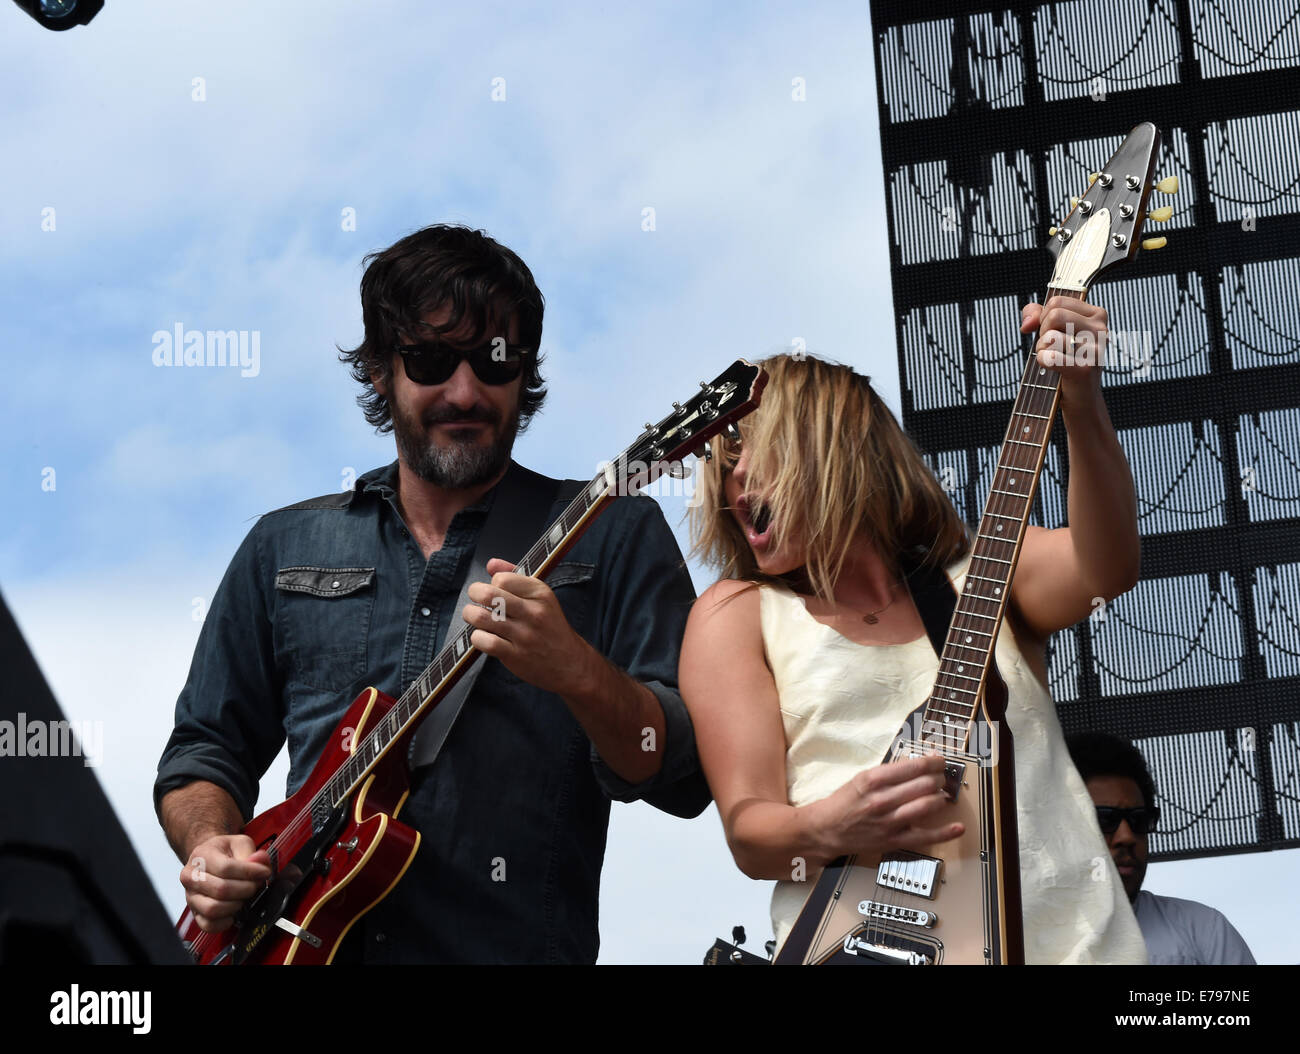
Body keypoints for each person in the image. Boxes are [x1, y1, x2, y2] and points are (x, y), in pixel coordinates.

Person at [154, 223, 710, 964]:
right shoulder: (282, 546)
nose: (465, 390)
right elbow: (203, 750)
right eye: (430, 360)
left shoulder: (610, 531)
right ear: (382, 371)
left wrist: (576, 671)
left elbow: (679, 770)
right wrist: (208, 849)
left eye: (496, 361)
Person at [679, 300, 1150, 964]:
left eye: (750, 448)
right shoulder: (738, 614)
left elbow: (1110, 568)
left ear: (833, 446)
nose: (736, 478)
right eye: (722, 464)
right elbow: (751, 834)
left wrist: (1081, 399)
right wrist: (828, 824)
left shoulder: (985, 576)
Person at [1067, 731, 1256, 965]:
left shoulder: (1203, 930)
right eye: (1104, 820)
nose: (1126, 837)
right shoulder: (1017, 935)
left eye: (1138, 819)